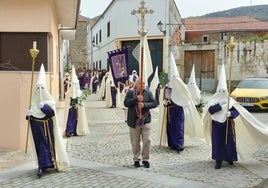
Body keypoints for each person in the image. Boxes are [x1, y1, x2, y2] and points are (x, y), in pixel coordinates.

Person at [25, 64, 70, 178]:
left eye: (42, 88)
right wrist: (28, 115)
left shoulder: (49, 100)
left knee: (46, 145)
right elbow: (31, 116)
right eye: (38, 88)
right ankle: (41, 164)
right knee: (38, 145)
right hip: (36, 127)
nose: (40, 91)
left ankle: (47, 164)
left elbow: (51, 113)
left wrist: (43, 107)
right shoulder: (33, 100)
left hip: (46, 127)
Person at [124, 78, 157, 168]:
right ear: (136, 84)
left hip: (145, 120)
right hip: (134, 122)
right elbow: (126, 103)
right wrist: (136, 99)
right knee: (135, 142)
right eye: (140, 83)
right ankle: (136, 159)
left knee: (147, 140)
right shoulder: (131, 92)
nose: (142, 85)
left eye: (143, 83)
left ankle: (145, 159)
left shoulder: (148, 92)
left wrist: (144, 105)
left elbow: (154, 103)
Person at [64, 65, 89, 137]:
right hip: (71, 107)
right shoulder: (69, 91)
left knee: (77, 119)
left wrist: (78, 104)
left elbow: (81, 100)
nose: (74, 85)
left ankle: (75, 130)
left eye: (75, 84)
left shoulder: (79, 92)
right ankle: (69, 131)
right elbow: (67, 97)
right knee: (71, 119)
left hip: (77, 107)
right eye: (73, 84)